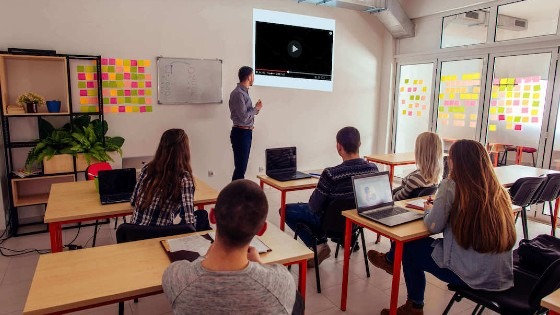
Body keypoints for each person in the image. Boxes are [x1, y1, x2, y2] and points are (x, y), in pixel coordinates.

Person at [380, 140, 516, 315]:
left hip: (469, 275)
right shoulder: (499, 191)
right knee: (416, 247)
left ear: (456, 162)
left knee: (408, 246)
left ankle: (414, 305)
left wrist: (429, 210)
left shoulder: (450, 185)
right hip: (498, 275)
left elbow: (433, 226)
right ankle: (398, 276)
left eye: (450, 158)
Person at [162, 179, 298, 314]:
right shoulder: (283, 283)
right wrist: (257, 263)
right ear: (262, 229)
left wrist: (205, 257)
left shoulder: (177, 278)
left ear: (212, 216)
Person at [284, 127, 378, 267]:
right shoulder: (373, 169)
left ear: (339, 146)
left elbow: (314, 207)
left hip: (330, 224)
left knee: (286, 210)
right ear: (360, 144)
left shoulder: (331, 174)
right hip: (356, 224)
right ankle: (349, 239)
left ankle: (319, 243)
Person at [368, 132, 443, 274]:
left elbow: (397, 199)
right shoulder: (436, 176)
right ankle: (390, 258)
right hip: (417, 215)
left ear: (420, 152)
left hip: (402, 216)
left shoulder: (416, 178)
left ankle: (390, 260)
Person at [130, 129, 199, 228]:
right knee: (202, 216)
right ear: (184, 150)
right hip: (159, 236)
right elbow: (189, 222)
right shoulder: (184, 178)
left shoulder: (147, 168)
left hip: (133, 233)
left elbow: (133, 201)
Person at [229, 66, 263, 181]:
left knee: (241, 168)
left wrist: (256, 109)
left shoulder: (244, 92)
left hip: (245, 132)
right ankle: (234, 195)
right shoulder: (238, 94)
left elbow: (247, 114)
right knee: (240, 168)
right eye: (253, 75)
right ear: (249, 77)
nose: (253, 78)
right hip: (241, 133)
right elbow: (243, 117)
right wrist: (256, 108)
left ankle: (235, 195)